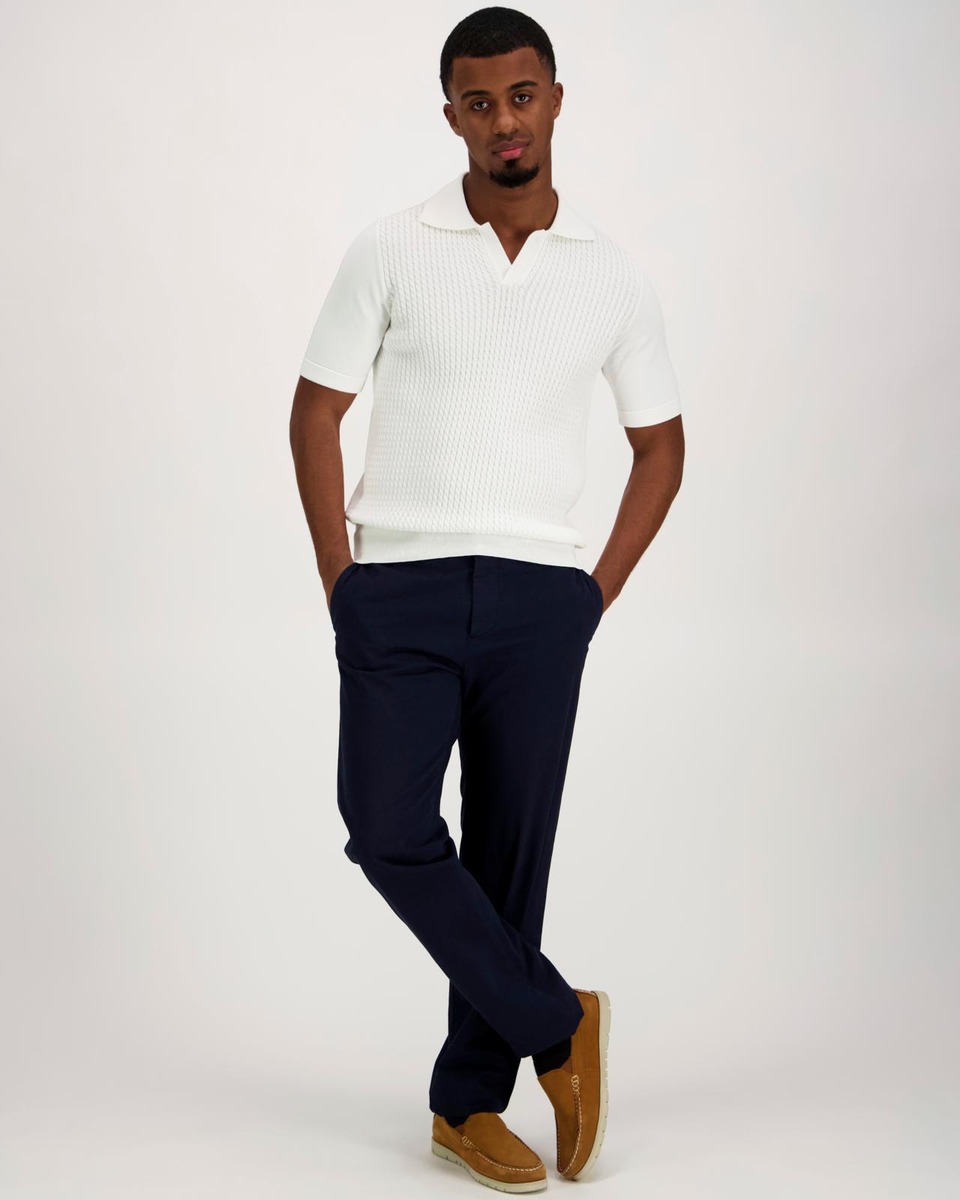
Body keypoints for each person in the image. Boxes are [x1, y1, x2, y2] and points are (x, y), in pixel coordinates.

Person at [289, 5, 684, 1190]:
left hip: (539, 599)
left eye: (521, 96)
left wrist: (591, 597)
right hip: (398, 588)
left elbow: (661, 446)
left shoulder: (612, 275)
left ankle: (467, 1104)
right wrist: (341, 580)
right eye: (478, 102)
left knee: (512, 853)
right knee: (387, 828)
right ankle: (558, 1022)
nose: (503, 121)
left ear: (554, 101)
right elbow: (316, 411)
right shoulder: (390, 248)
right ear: (451, 115)